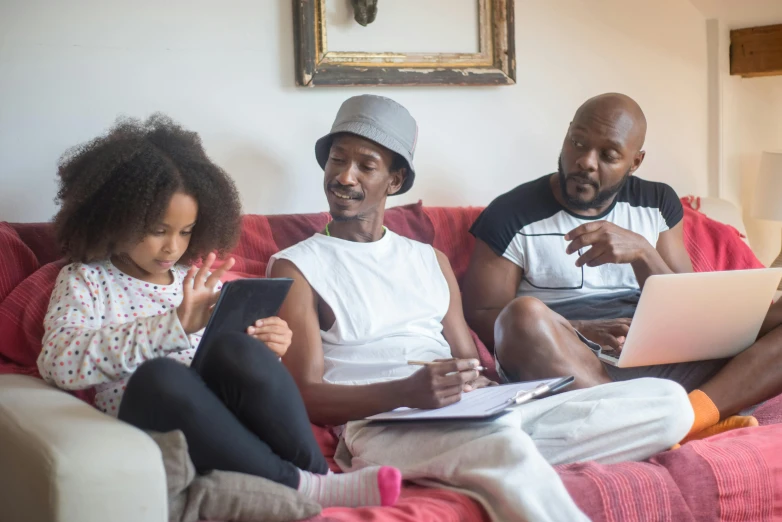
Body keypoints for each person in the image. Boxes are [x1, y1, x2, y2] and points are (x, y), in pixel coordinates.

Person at [268, 94, 694, 522]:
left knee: (670, 404)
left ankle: (477, 457)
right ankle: (489, 455)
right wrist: (406, 392)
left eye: (365, 166)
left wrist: (489, 389)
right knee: (504, 447)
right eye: (336, 161)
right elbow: (303, 395)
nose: (344, 176)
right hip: (384, 421)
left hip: (470, 412)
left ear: (394, 181)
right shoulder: (296, 265)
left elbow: (468, 359)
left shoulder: (428, 259)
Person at [37, 114, 402, 508]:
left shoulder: (192, 278)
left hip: (225, 424)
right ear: (116, 217)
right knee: (161, 374)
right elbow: (58, 363)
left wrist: (269, 347)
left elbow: (234, 370)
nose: (171, 248)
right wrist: (172, 326)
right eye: (158, 230)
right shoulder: (86, 281)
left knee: (239, 351)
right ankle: (307, 487)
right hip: (155, 416)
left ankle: (320, 476)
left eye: (186, 231)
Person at [462, 92, 782, 445]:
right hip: (573, 361)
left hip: (656, 347)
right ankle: (655, 422)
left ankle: (691, 419)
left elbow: (689, 307)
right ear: (567, 134)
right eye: (578, 142)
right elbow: (483, 316)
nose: (585, 161)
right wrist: (577, 328)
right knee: (521, 315)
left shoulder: (657, 203)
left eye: (608, 155)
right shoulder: (511, 214)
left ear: (635, 161)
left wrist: (644, 253)